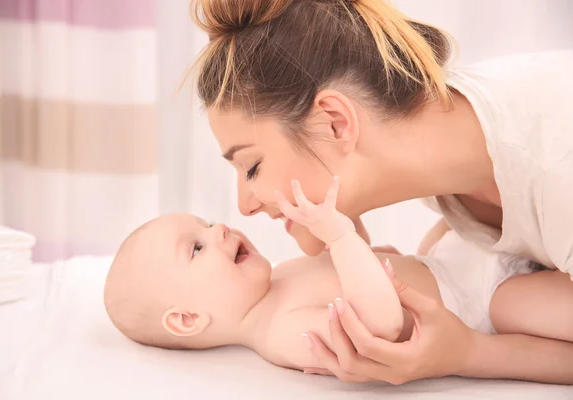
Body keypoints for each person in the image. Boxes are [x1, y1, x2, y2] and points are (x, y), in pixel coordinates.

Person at [187, 0, 573, 384]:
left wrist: (469, 352)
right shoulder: (437, 146)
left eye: (252, 167)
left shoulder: (556, 166)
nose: (245, 205)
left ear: (335, 123)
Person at [103, 179, 573, 383]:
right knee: (545, 304)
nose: (218, 229)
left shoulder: (279, 280)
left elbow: (364, 267)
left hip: (438, 262)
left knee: (473, 200)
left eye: (205, 222)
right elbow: (381, 326)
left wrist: (344, 229)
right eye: (198, 247)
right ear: (187, 318)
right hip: (475, 299)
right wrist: (340, 237)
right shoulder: (282, 333)